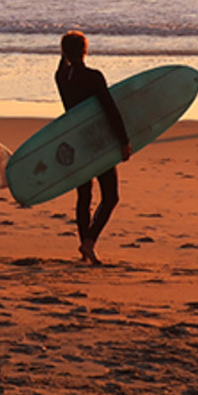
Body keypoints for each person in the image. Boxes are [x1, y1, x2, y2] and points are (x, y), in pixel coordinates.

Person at [55, 31, 132, 266]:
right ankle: (89, 242)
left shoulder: (60, 77)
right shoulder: (94, 77)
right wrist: (123, 140)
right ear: (85, 50)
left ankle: (84, 248)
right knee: (110, 196)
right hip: (98, 141)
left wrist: (63, 55)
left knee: (84, 196)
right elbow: (110, 109)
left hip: (76, 142)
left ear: (64, 52)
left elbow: (63, 66)